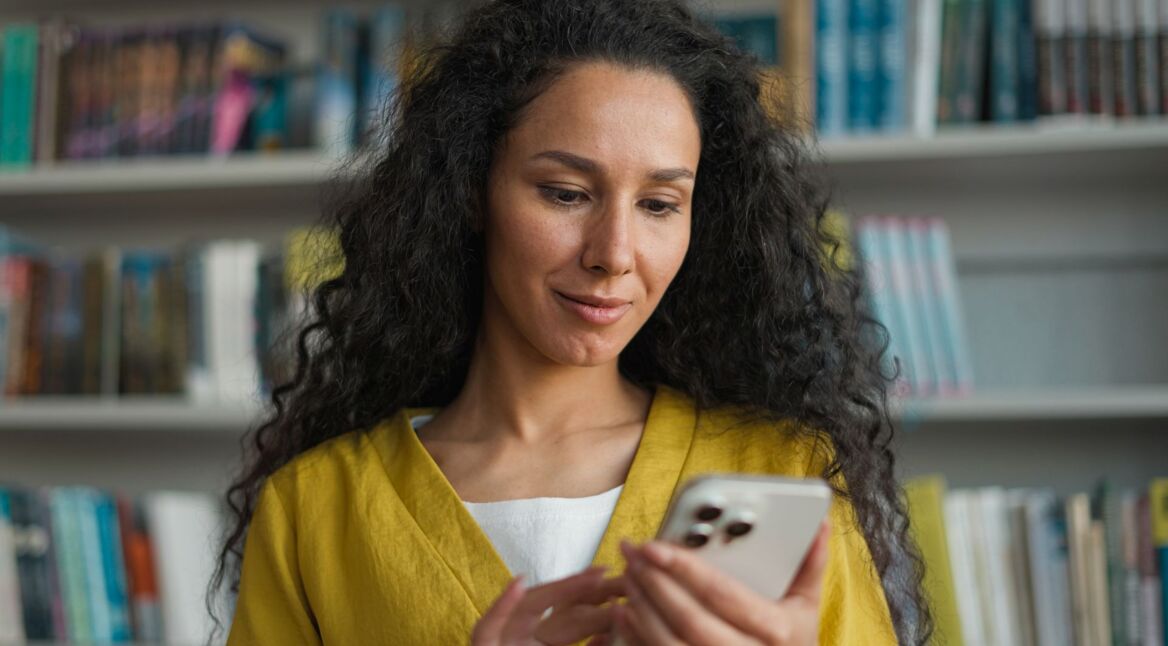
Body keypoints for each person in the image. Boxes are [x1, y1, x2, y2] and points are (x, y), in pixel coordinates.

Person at [213, 0, 930, 643]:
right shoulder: (315, 510)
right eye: (564, 193)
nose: (614, 255)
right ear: (470, 192)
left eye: (659, 205)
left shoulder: (783, 474)